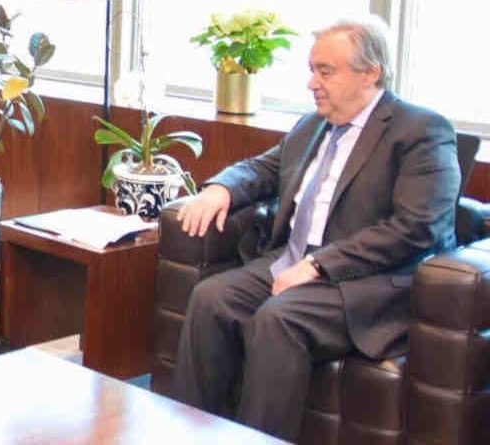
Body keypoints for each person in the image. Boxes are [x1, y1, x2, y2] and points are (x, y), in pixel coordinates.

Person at [172, 16, 460, 442]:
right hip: (292, 260)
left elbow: (417, 227)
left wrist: (319, 265)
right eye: (311, 69)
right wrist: (219, 189)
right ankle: (190, 432)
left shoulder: (420, 130)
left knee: (279, 319)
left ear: (370, 73)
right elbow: (262, 169)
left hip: (367, 280)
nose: (311, 82)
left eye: (325, 71)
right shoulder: (312, 125)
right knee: (211, 298)